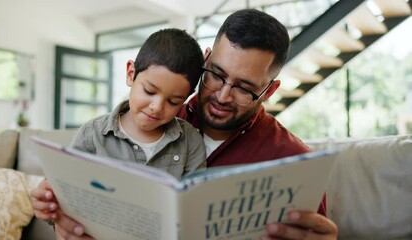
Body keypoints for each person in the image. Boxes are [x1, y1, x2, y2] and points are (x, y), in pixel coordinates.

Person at [31, 9, 338, 240]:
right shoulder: (155, 116)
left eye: (244, 88)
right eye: (215, 74)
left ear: (269, 91)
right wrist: (55, 211)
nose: (222, 95)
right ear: (205, 59)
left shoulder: (294, 160)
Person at [30, 28, 207, 231]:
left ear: (186, 97)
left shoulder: (191, 141)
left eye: (173, 101)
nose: (157, 107)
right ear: (131, 73)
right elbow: (64, 195)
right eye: (149, 91)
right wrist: (49, 203)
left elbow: (196, 211)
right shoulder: (93, 135)